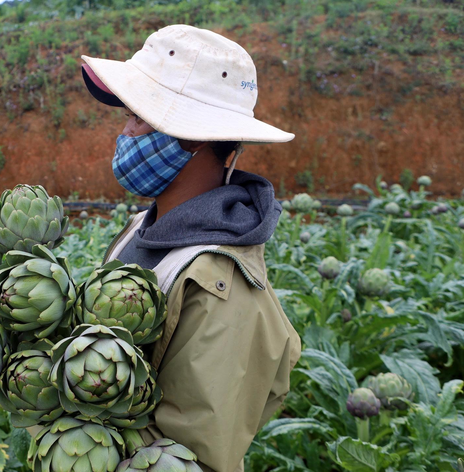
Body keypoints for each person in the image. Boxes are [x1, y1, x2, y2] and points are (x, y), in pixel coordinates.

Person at [80, 25, 302, 472]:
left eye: (137, 119)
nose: (124, 134)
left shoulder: (223, 288)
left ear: (194, 134)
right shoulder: (139, 227)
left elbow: (193, 456)